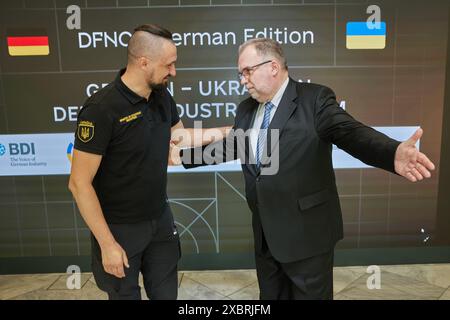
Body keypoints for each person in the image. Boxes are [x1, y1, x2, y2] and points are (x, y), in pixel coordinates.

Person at [173, 38, 436, 300]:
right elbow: (234, 148)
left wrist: (392, 152)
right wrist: (182, 157)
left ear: (273, 67)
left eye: (247, 71)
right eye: (240, 73)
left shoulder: (315, 100)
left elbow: (351, 134)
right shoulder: (246, 109)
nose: (243, 79)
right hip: (266, 237)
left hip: (307, 237)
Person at [68, 24, 228, 300]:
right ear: (144, 62)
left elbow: (180, 137)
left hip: (160, 222)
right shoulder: (100, 109)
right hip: (118, 230)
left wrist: (231, 133)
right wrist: (107, 245)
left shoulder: (161, 96)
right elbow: (79, 184)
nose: (174, 72)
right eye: (169, 65)